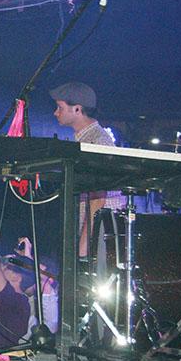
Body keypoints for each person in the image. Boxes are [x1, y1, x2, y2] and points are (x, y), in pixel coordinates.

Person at [50, 81, 124, 257]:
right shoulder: (87, 139)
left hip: (101, 235)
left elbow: (98, 199)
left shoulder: (97, 142)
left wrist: (83, 248)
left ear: (77, 109)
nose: (55, 112)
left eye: (60, 107)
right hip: (96, 233)